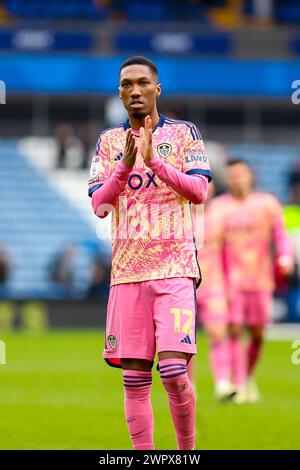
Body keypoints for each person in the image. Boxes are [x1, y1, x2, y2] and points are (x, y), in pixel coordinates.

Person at [88, 56, 211, 450]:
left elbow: (199, 191)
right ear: (120, 92)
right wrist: (124, 165)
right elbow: (100, 204)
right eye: (126, 84)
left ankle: (185, 453)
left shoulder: (183, 133)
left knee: (174, 372)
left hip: (175, 269)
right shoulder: (109, 142)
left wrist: (154, 160)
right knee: (135, 379)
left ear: (157, 89)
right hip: (127, 274)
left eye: (143, 83)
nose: (135, 90)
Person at [212, 159, 294, 403]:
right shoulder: (219, 207)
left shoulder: (267, 204)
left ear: (250, 176)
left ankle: (246, 376)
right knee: (235, 330)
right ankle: (237, 385)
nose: (236, 179)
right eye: (232, 175)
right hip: (231, 281)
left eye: (240, 174)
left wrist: (286, 256)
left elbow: (280, 233)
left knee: (258, 334)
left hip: (260, 279)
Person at [192, 181, 234, 401]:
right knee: (186, 341)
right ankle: (190, 387)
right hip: (185, 287)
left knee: (218, 333)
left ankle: (223, 384)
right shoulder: (179, 215)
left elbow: (228, 253)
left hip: (214, 284)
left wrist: (229, 284)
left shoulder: (220, 218)